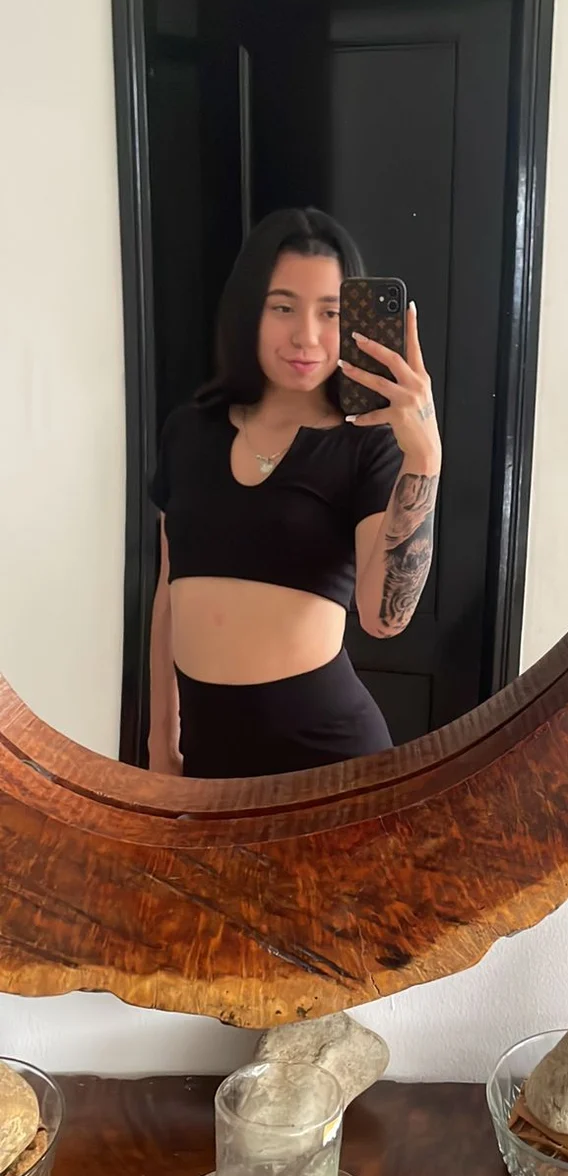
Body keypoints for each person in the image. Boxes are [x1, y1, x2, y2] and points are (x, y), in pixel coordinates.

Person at [148, 207, 441, 779]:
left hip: (327, 761)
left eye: (330, 312)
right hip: (208, 761)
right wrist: (162, 743)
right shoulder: (189, 430)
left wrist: (424, 459)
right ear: (248, 310)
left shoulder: (366, 446)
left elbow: (384, 618)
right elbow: (168, 593)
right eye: (282, 307)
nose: (306, 336)